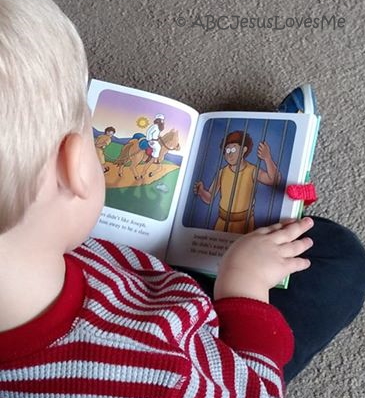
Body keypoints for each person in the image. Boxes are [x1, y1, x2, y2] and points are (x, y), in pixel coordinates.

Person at [0, 2, 365, 398]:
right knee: (334, 256)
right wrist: (244, 287)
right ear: (73, 168)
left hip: (136, 285)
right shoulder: (170, 377)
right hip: (201, 340)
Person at [194, 131, 280, 233]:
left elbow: (274, 180)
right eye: (227, 149)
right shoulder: (222, 172)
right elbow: (209, 198)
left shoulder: (252, 170)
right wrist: (202, 191)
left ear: (244, 149)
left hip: (244, 224)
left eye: (233, 149)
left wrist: (267, 158)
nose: (230, 153)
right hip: (221, 223)